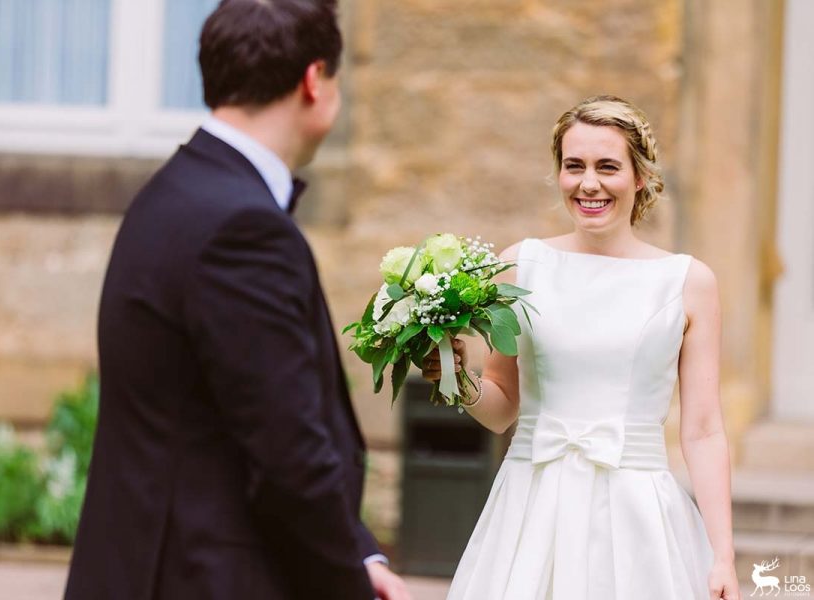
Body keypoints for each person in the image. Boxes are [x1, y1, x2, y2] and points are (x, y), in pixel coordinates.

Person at [64, 1, 409, 599]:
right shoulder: (242, 227)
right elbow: (288, 454)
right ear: (313, 80)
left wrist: (360, 555)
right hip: (208, 578)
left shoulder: (173, 190)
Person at [423, 96, 741, 599]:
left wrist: (722, 554)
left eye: (607, 167)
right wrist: (456, 378)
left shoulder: (687, 281)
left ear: (639, 177)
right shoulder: (519, 265)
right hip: (530, 505)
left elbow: (703, 431)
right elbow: (503, 406)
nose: (588, 183)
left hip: (637, 510)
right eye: (574, 167)